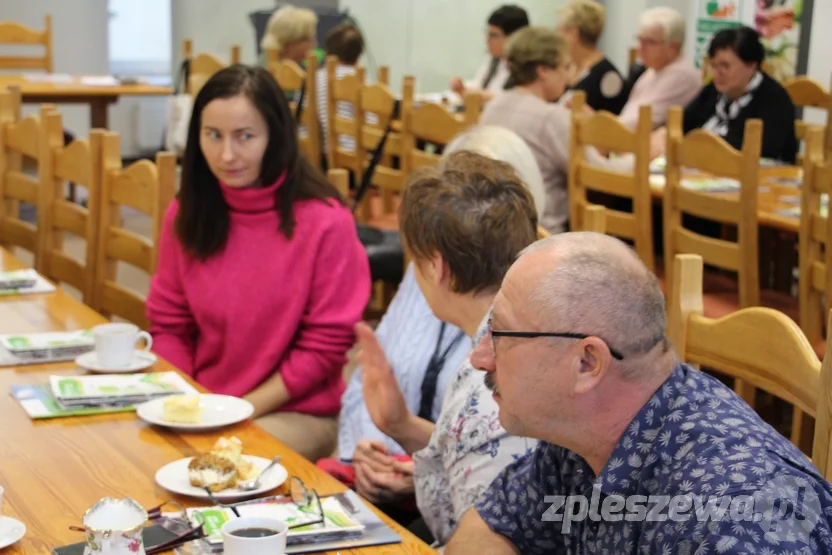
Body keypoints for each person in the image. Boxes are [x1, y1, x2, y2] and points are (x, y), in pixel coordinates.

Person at [445, 232, 832, 554]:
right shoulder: (580, 432)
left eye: (500, 336)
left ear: (587, 364)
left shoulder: (735, 518)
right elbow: (489, 525)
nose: (480, 359)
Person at [146, 65, 370, 462]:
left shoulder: (324, 221)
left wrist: (235, 407)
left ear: (274, 137)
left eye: (245, 137)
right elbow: (170, 324)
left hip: (292, 409)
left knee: (210, 465)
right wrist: (184, 399)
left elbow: (324, 349)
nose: (227, 154)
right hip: (204, 401)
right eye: (213, 136)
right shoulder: (189, 211)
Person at [321, 125, 545, 520]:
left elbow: (470, 527)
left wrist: (414, 468)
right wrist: (399, 426)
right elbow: (470, 448)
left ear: (436, 266)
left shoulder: (487, 369)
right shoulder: (503, 335)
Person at [682, 26, 797, 163]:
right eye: (714, 65)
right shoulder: (715, 89)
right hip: (709, 168)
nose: (717, 73)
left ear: (752, 66)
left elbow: (763, 151)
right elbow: (683, 124)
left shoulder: (774, 99)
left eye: (725, 66)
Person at [616, 7, 701, 130]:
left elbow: (641, 124)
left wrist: (601, 127)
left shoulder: (681, 75)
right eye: (640, 40)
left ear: (673, 47)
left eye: (649, 42)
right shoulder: (653, 70)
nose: (640, 48)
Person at [557, 0, 627, 114]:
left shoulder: (608, 75)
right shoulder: (569, 69)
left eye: (560, 30)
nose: (557, 36)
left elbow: (612, 124)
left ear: (574, 34)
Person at [449, 5, 530, 101]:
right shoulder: (495, 60)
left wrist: (481, 96)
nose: (487, 40)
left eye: (493, 35)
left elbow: (514, 101)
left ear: (514, 38)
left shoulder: (529, 68)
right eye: (488, 33)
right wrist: (461, 88)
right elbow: (479, 86)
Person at [315, 24, 364, 158]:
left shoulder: (312, 78)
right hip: (351, 158)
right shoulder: (358, 81)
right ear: (357, 57)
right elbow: (372, 127)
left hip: (316, 155)